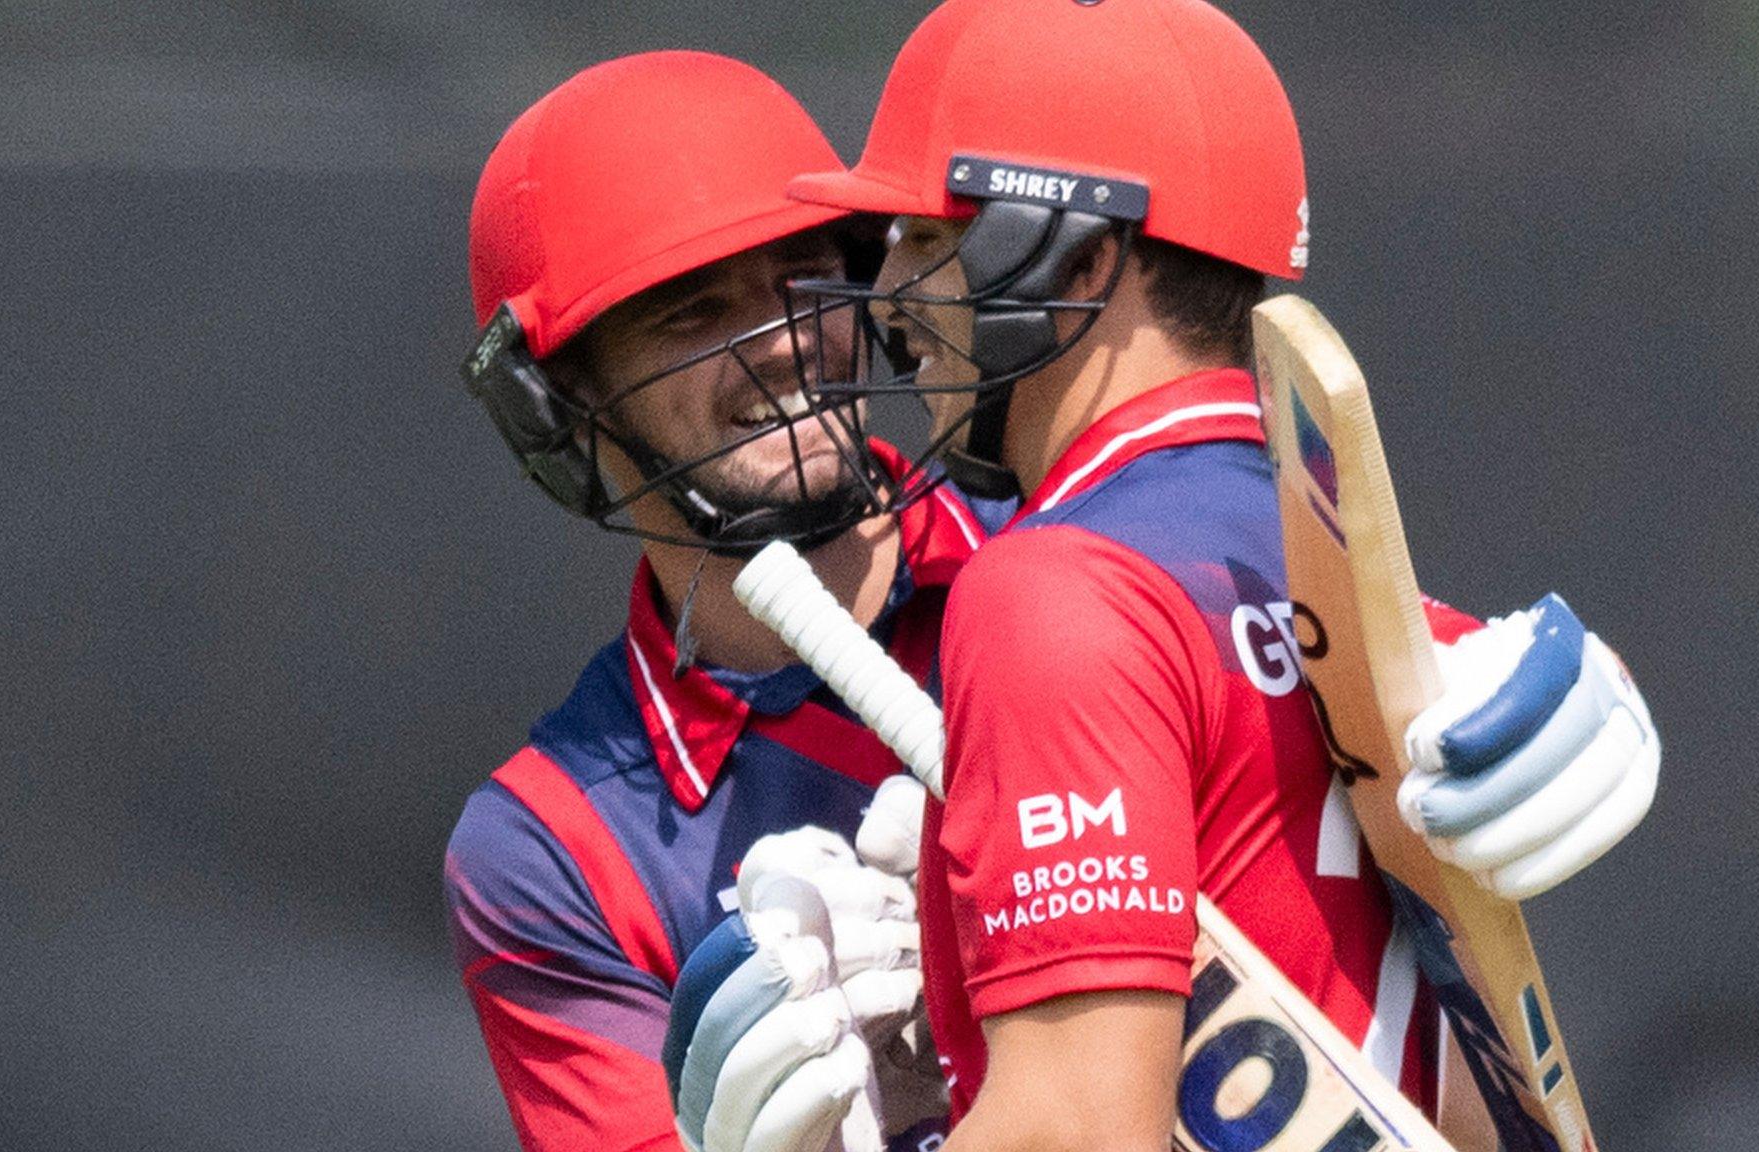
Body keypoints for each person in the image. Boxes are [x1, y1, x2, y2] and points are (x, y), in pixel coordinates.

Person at [776, 1, 1664, 1149]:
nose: (889, 299)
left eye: (925, 243)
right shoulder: (1298, 556)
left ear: (1075, 259)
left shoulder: (1053, 588)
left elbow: (1081, 1133)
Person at [443, 52, 989, 1152]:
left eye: (803, 277)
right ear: (565, 408)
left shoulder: (1071, 553)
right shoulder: (551, 844)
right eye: (692, 314)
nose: (785, 344)